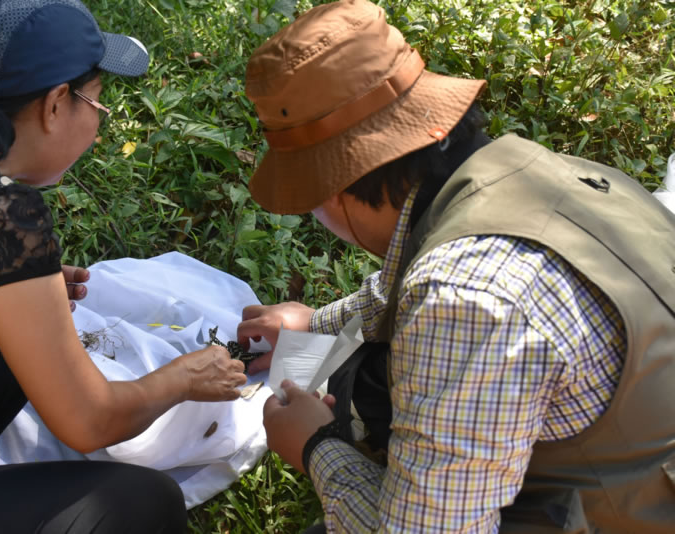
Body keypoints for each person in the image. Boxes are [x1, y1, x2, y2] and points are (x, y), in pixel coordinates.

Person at [236, 1, 675, 532]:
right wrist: (316, 323)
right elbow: (407, 277)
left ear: (336, 187)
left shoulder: (465, 301)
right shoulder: (534, 171)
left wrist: (316, 446)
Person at [0, 0, 248, 532]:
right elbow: (89, 422)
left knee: (8, 340)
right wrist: (181, 377)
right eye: (96, 102)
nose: (98, 119)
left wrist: (18, 289)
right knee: (143, 503)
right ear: (55, 105)